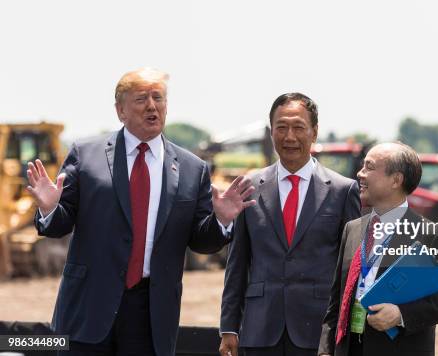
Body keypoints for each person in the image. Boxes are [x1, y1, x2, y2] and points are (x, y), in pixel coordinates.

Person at [26, 68, 255, 356]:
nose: (152, 105)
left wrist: (221, 220)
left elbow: (201, 241)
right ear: (120, 110)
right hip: (88, 308)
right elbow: (60, 224)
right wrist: (49, 209)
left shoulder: (192, 169)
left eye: (158, 97)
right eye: (141, 99)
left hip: (151, 314)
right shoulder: (86, 155)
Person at [219, 93, 361, 356]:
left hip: (318, 332)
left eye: (298, 127)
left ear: (314, 132)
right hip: (260, 331)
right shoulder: (248, 188)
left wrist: (347, 333)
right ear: (271, 132)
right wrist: (228, 327)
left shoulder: (343, 191)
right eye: (281, 127)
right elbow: (237, 263)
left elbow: (351, 270)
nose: (289, 137)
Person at [318, 143, 438, 356]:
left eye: (369, 167)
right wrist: (325, 351)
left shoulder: (431, 235)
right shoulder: (353, 229)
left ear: (396, 180)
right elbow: (335, 304)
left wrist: (400, 314)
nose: (360, 174)